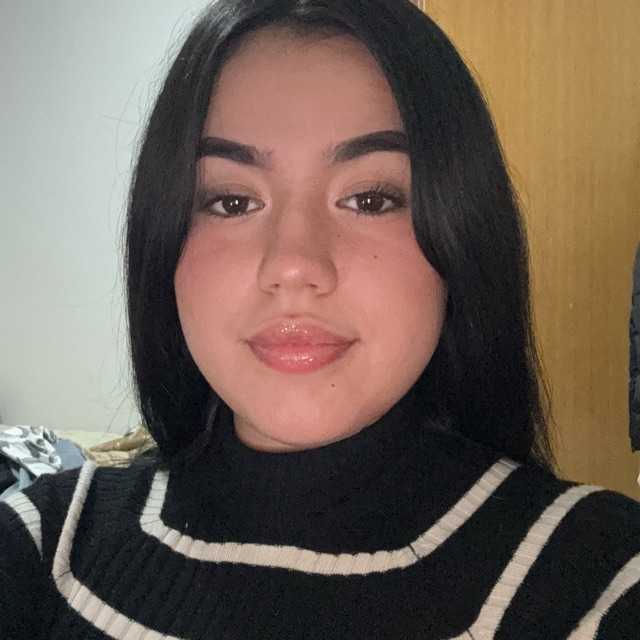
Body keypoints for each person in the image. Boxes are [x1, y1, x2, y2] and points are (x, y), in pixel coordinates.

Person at [1, 1, 639, 637]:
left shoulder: (599, 581)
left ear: (462, 234)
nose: (294, 264)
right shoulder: (44, 545)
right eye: (232, 201)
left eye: (371, 199)